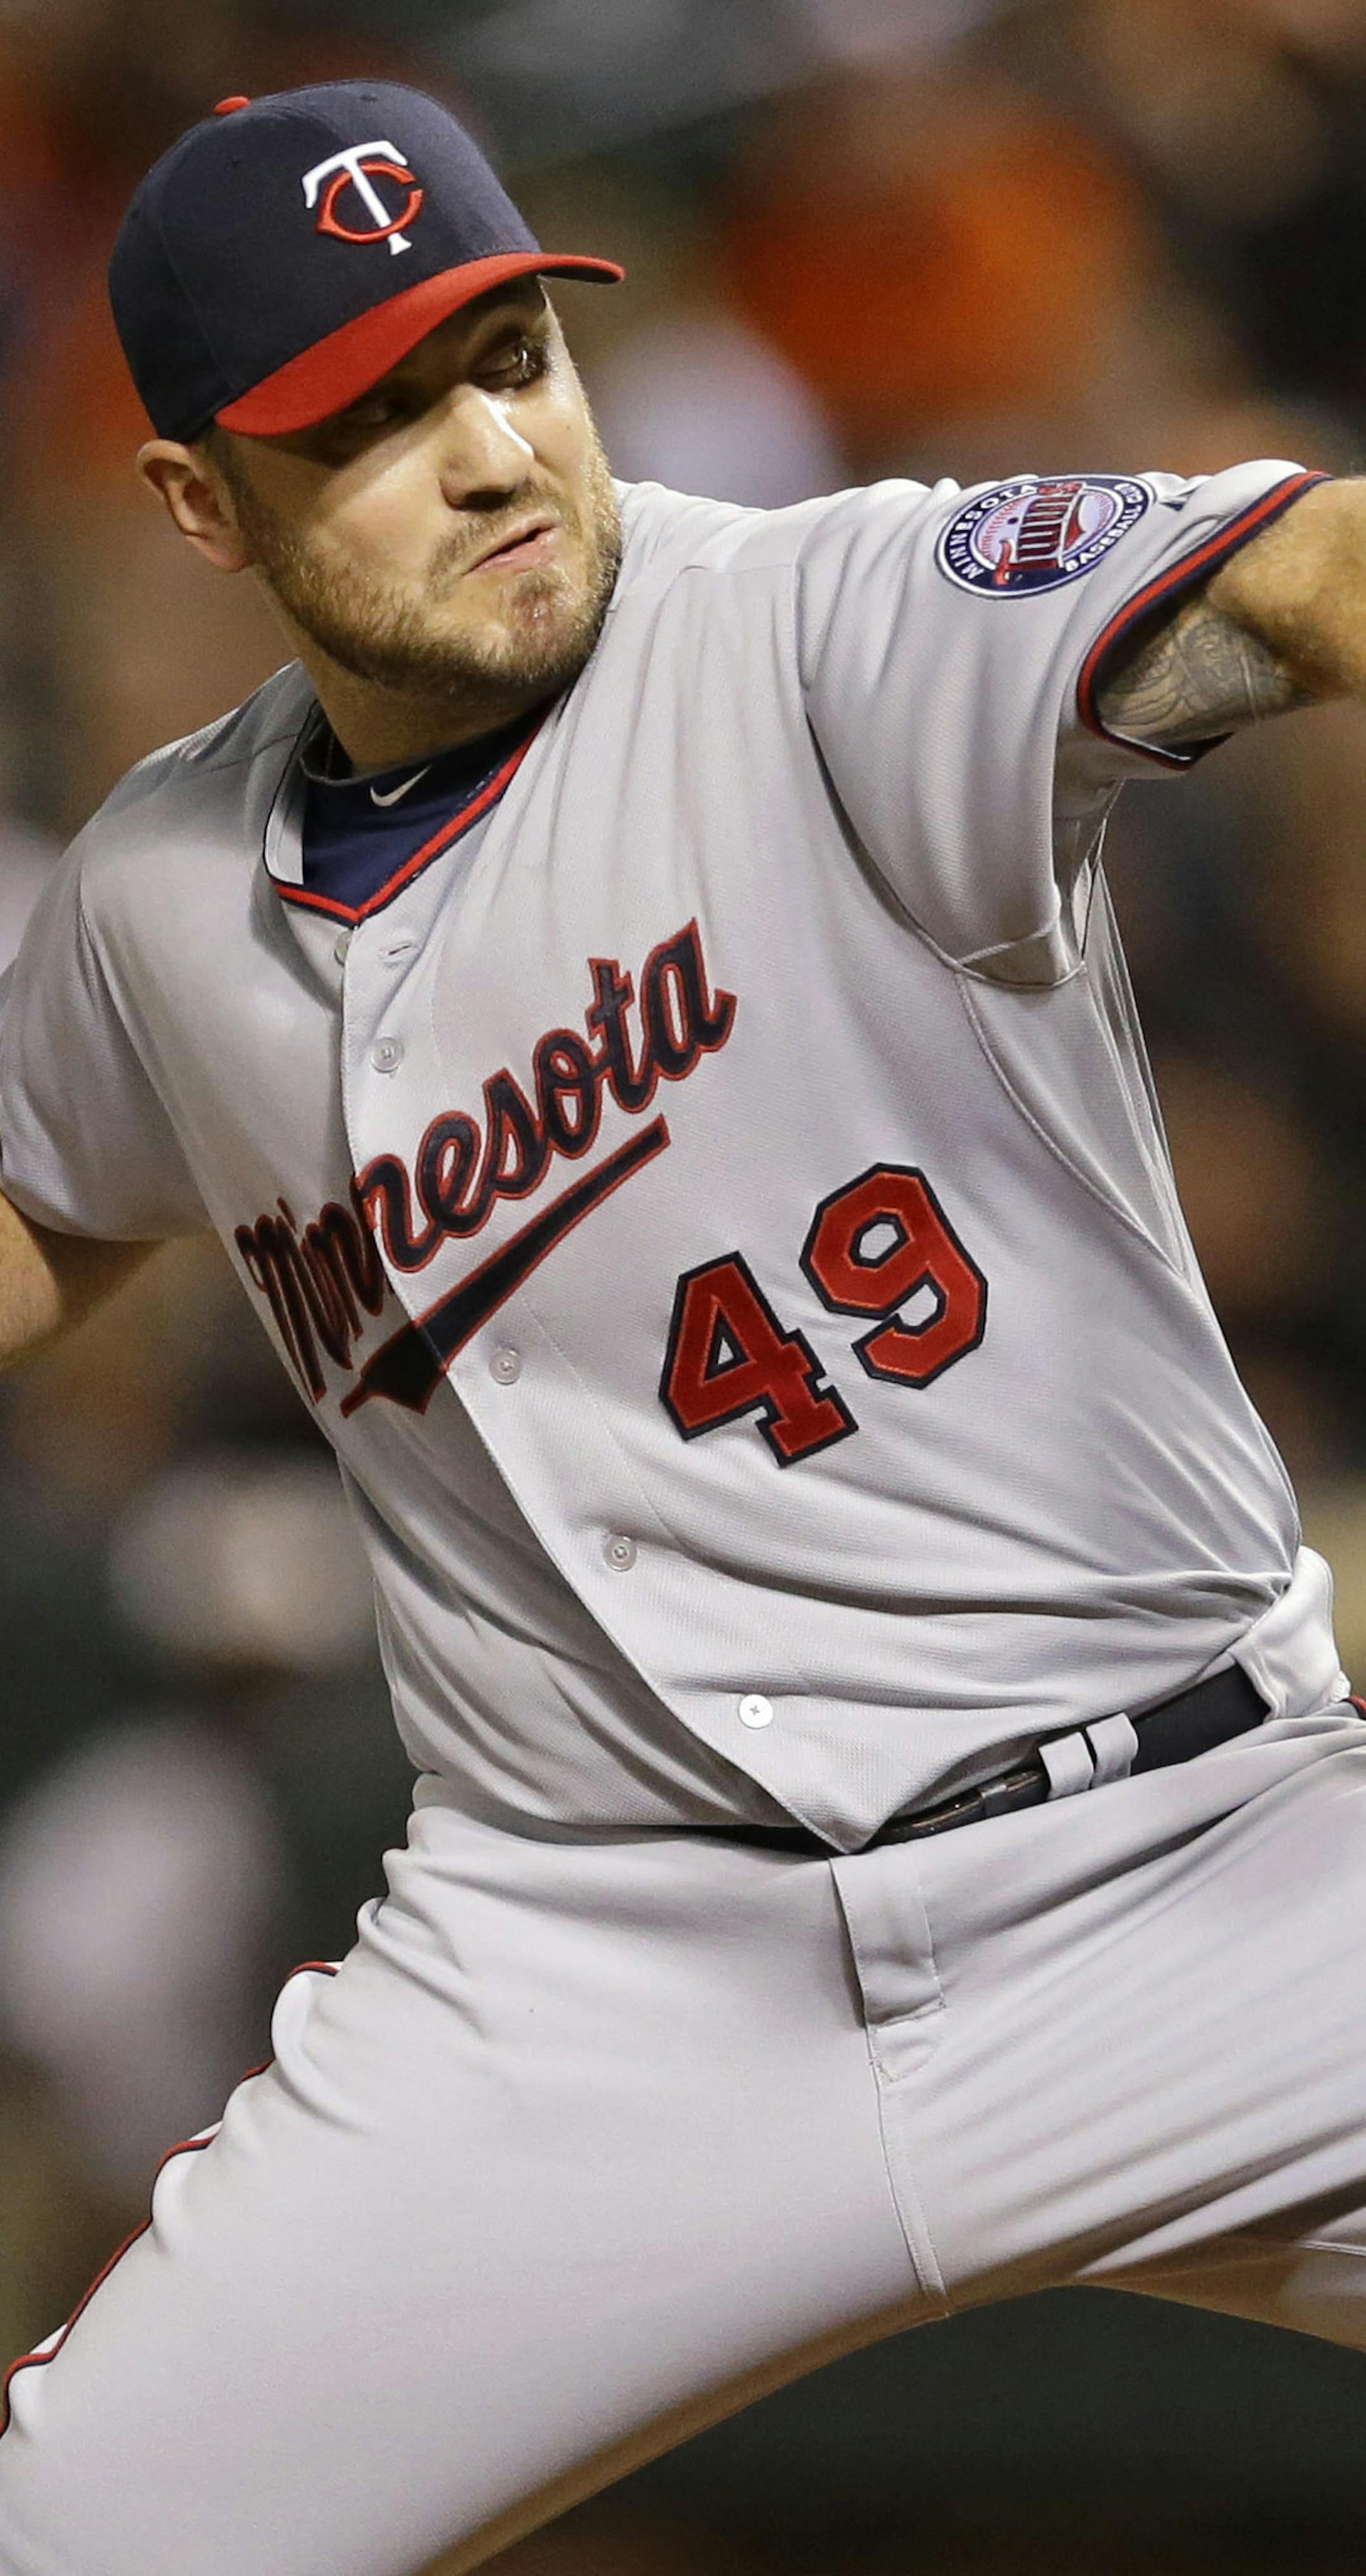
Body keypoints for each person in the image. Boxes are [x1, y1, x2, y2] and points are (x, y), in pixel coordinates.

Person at [0, 75, 1364, 2576]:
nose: (493, 447)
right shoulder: (157, 893)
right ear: (202, 504)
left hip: (1201, 1873)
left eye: (512, 352)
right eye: (376, 415)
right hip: (601, 1980)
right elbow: (38, 1199)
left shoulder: (826, 621)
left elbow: (1299, 581)